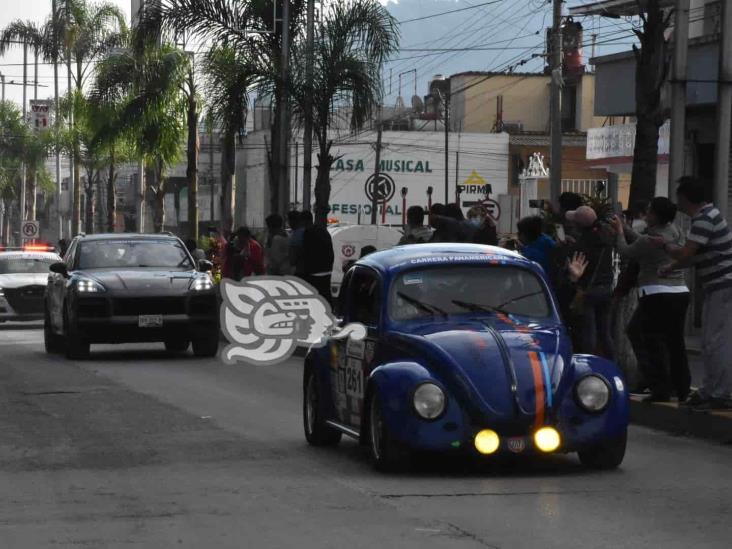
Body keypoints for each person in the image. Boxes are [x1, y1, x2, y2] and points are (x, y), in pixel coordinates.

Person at [654, 177, 732, 409]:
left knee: (717, 341)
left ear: (686, 198)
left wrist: (664, 246)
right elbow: (698, 256)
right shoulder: (707, 216)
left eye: (679, 197)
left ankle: (721, 394)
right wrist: (670, 267)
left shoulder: (705, 220)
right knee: (711, 341)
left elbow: (686, 253)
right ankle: (711, 390)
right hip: (718, 286)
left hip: (723, 286)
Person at [612, 198, 690, 403]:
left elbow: (626, 251)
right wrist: (628, 229)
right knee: (675, 341)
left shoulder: (650, 240)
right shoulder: (675, 231)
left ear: (655, 215)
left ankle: (658, 385)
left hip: (655, 292)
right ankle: (681, 387)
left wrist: (620, 231)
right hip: (680, 291)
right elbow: (643, 242)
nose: (646, 214)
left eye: (648, 211)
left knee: (643, 336)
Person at [567, 205, 616, 360]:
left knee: (589, 332)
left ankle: (588, 363)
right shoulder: (606, 236)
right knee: (605, 332)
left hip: (589, 290)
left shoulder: (582, 244)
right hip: (607, 288)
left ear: (579, 225)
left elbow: (575, 266)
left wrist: (566, 248)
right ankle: (611, 363)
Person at [301, 211, 335, 303]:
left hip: (314, 271)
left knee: (314, 298)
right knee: (326, 295)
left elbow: (306, 252)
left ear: (304, 221)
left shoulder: (308, 232)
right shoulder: (323, 231)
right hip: (327, 270)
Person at [288, 210, 305, 277]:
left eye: (289, 220)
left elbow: (292, 260)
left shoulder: (296, 235)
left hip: (299, 271)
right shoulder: (305, 231)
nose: (288, 223)